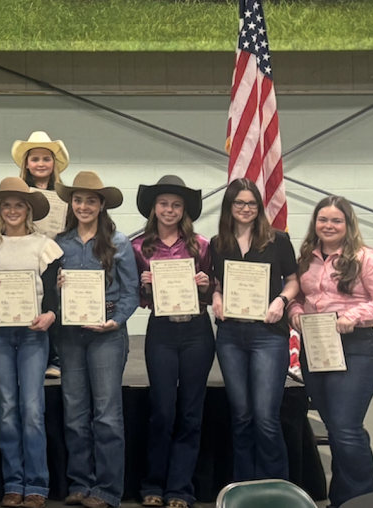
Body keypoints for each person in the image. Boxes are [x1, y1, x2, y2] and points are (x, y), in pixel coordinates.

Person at [288, 196, 373, 508]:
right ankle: (342, 500)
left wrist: (354, 316)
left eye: (336, 220)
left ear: (348, 225)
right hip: (317, 347)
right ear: (315, 224)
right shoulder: (305, 259)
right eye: (323, 220)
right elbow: (298, 297)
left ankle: (364, 501)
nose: (329, 225)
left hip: (357, 349)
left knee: (345, 428)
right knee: (336, 428)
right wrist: (295, 312)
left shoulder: (366, 259)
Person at [52, 171, 138, 508]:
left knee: (107, 414)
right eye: (78, 200)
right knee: (74, 412)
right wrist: (55, 289)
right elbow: (49, 297)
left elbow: (131, 292)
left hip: (107, 334)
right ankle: (79, 482)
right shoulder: (60, 244)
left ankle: (107, 489)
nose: (83, 206)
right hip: (71, 334)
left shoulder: (120, 243)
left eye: (90, 200)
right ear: (71, 204)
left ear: (102, 205)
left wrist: (115, 321)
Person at [131, 176, 214, 508]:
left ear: (184, 210)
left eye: (176, 205)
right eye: (163, 203)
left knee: (191, 412)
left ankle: (180, 489)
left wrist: (206, 284)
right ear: (154, 208)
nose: (169, 209)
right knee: (163, 410)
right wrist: (144, 286)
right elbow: (136, 298)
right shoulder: (138, 247)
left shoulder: (201, 246)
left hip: (197, 331)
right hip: (162, 331)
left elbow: (213, 290)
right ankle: (153, 483)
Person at [209, 178, 298, 483]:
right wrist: (217, 297)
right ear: (229, 207)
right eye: (239, 203)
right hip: (231, 336)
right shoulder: (218, 243)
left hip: (268, 336)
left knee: (265, 418)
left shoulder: (278, 240)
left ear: (259, 206)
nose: (246, 209)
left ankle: (276, 487)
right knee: (242, 416)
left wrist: (281, 301)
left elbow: (293, 280)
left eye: (251, 203)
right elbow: (217, 282)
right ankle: (245, 486)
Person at [0, 178, 63, 508]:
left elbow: (56, 292)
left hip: (33, 333)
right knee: (6, 409)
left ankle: (38, 485)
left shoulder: (45, 245)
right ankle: (13, 483)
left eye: (18, 205)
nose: (12, 211)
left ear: (28, 210)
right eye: (6, 205)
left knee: (32, 409)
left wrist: (51, 315)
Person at [11, 131, 69, 379]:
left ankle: (55, 357)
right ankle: (29, 353)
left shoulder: (64, 194)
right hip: (26, 252)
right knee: (29, 299)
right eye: (35, 159)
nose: (41, 164)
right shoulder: (20, 192)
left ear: (54, 163)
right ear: (26, 163)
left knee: (52, 300)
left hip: (55, 253)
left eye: (46, 159)